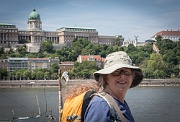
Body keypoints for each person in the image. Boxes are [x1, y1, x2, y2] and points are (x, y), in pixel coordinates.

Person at [84, 51, 143, 122]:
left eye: (127, 72)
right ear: (106, 78)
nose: (122, 76)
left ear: (132, 77)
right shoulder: (101, 106)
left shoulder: (121, 103)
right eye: (116, 72)